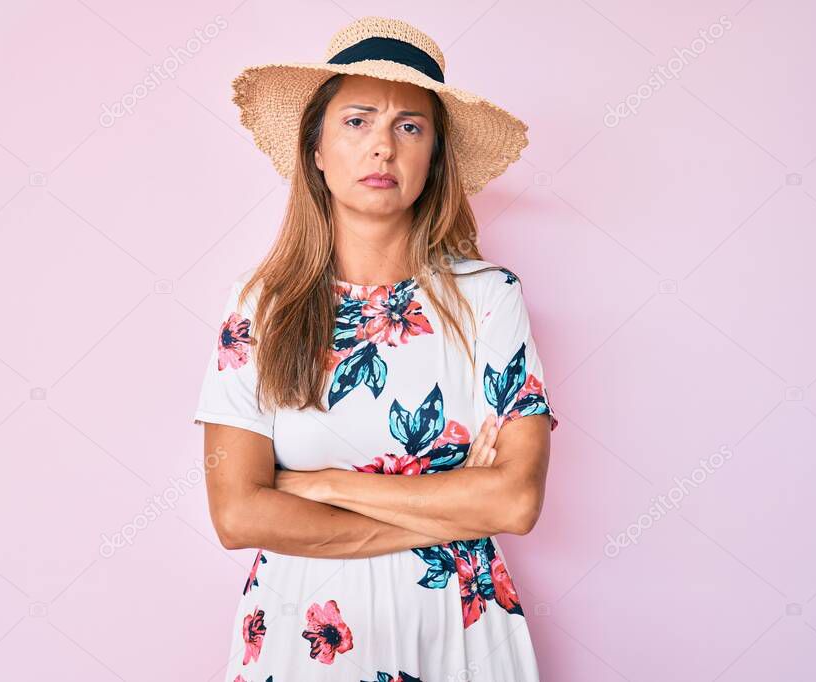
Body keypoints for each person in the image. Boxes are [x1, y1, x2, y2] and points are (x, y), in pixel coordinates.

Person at [193, 16, 559, 682]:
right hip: (303, 637)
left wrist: (320, 487)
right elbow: (239, 512)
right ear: (316, 150)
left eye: (409, 127)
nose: (382, 148)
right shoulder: (259, 308)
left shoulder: (488, 299)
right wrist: (448, 506)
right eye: (357, 122)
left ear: (434, 159)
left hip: (457, 632)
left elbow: (512, 504)